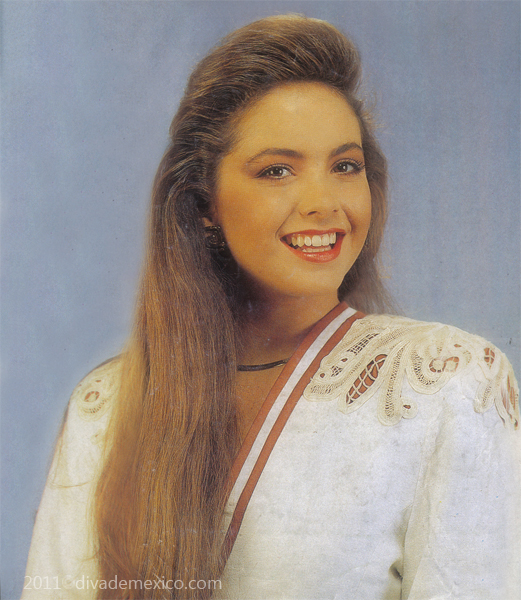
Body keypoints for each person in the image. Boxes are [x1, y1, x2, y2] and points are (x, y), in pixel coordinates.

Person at [22, 14, 520, 600]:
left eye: (345, 166)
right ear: (204, 205)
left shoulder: (450, 382)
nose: (323, 202)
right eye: (277, 171)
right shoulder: (104, 408)